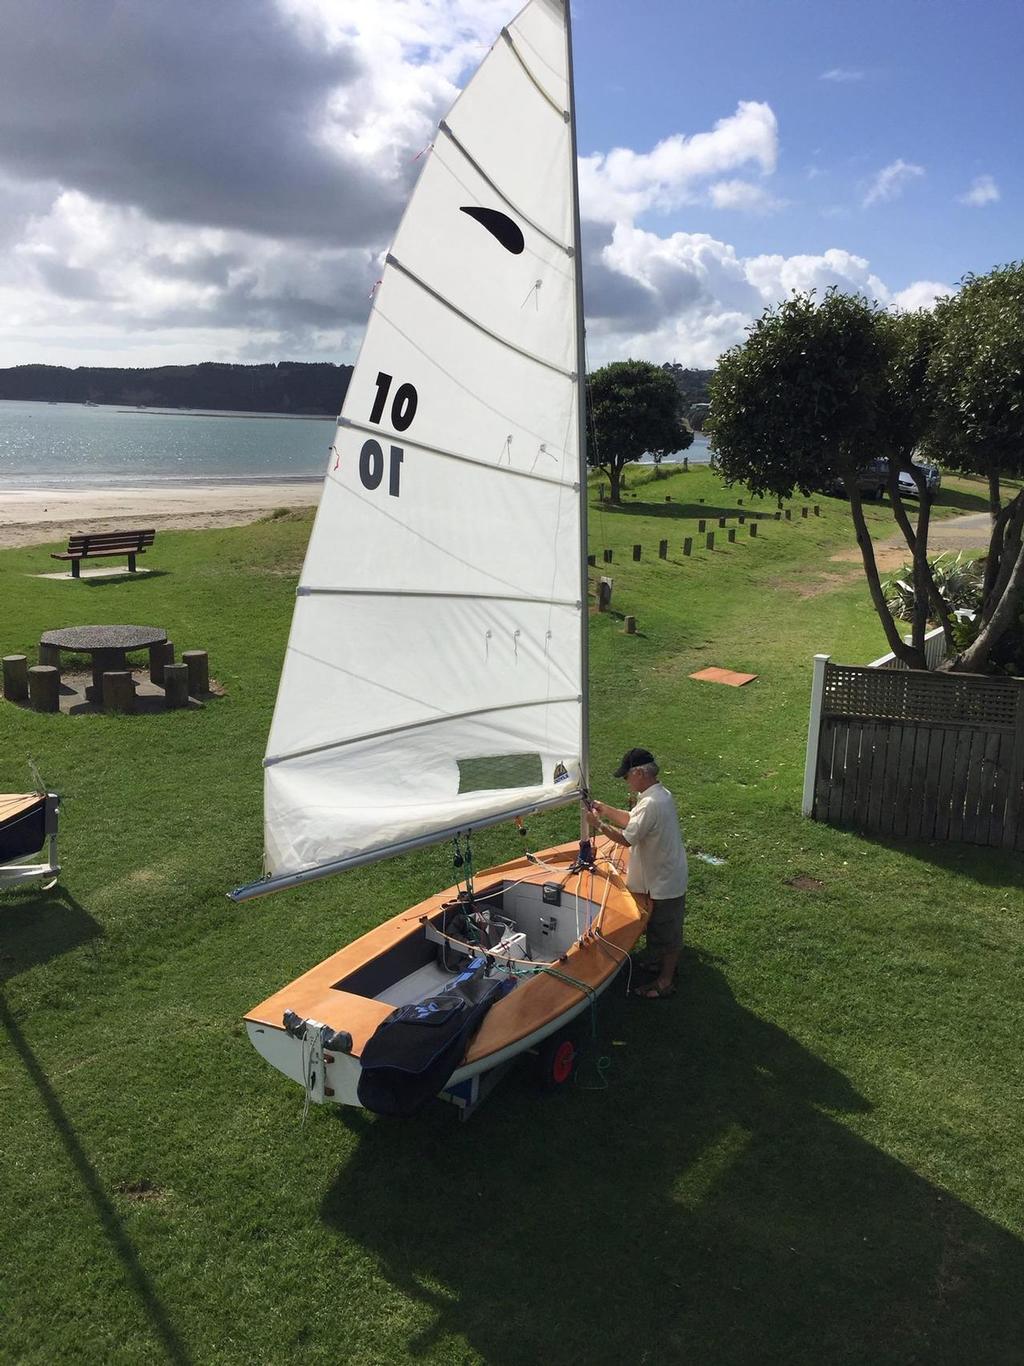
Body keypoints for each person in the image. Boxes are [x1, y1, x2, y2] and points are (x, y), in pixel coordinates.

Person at [586, 747, 688, 999]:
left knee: (668, 932)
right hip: (664, 875)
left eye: (627, 776)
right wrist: (605, 808)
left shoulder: (652, 803)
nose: (626, 781)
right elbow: (634, 819)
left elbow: (626, 838)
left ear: (640, 773)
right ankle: (657, 964)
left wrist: (598, 824)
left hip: (665, 880)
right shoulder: (658, 795)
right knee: (658, 925)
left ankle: (665, 981)